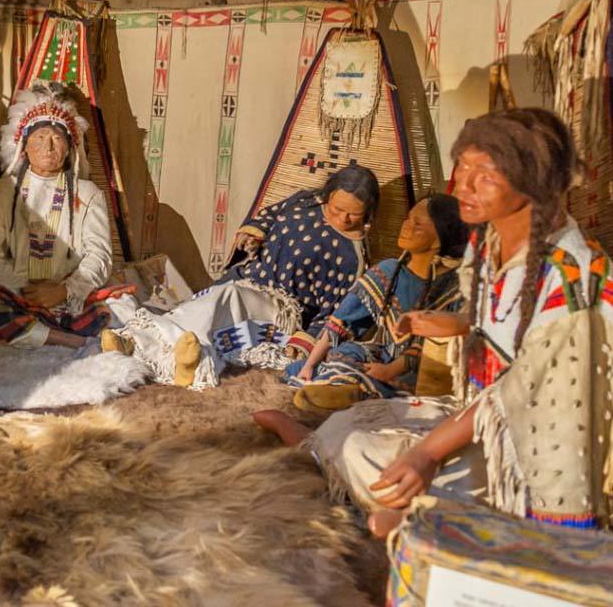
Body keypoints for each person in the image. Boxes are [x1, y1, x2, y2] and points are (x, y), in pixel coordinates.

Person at [255, 108, 613, 535]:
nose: (461, 185)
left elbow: (517, 392)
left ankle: (424, 515)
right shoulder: (495, 246)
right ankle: (331, 457)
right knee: (350, 426)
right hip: (477, 412)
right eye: (462, 166)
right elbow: (506, 322)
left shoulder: (574, 278)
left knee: (377, 455)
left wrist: (429, 453)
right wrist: (455, 324)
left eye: (483, 172)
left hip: (532, 444)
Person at [102, 164, 379, 388]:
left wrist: (306, 341)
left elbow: (336, 313)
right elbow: (268, 217)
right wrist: (253, 233)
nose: (343, 219)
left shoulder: (351, 257)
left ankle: (149, 346)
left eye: (353, 215)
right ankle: (155, 351)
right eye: (337, 208)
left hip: (280, 308)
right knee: (198, 308)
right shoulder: (305, 201)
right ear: (327, 194)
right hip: (246, 278)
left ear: (367, 214)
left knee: (225, 299)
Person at [0, 82, 132, 350]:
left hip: (71, 297)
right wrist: (30, 291)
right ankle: (70, 341)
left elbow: (100, 256)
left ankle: (34, 335)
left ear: (70, 148)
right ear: (23, 145)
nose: (48, 147)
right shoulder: (3, 192)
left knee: (123, 305)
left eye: (57, 138)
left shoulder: (88, 194)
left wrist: (63, 290)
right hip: (19, 296)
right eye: (39, 137)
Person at [283, 194, 468, 411]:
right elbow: (339, 323)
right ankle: (344, 387)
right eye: (408, 219)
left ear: (438, 238)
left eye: (417, 224)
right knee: (344, 352)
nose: (406, 226)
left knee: (419, 385)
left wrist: (390, 371)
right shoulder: (388, 272)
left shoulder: (457, 286)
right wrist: (309, 364)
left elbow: (439, 347)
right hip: (383, 356)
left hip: (425, 371)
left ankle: (349, 391)